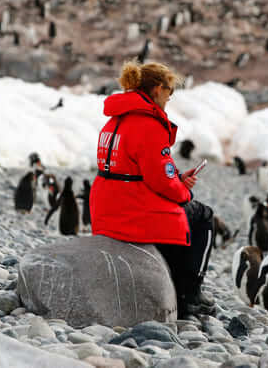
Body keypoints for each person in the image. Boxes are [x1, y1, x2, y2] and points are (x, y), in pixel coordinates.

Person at [90, 60, 216, 319]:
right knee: (201, 215)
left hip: (106, 205)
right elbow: (160, 181)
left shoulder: (117, 119)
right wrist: (185, 192)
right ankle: (190, 294)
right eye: (170, 91)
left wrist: (178, 178)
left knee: (180, 210)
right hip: (130, 210)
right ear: (158, 89)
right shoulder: (148, 124)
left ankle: (170, 285)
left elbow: (134, 167)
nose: (170, 98)